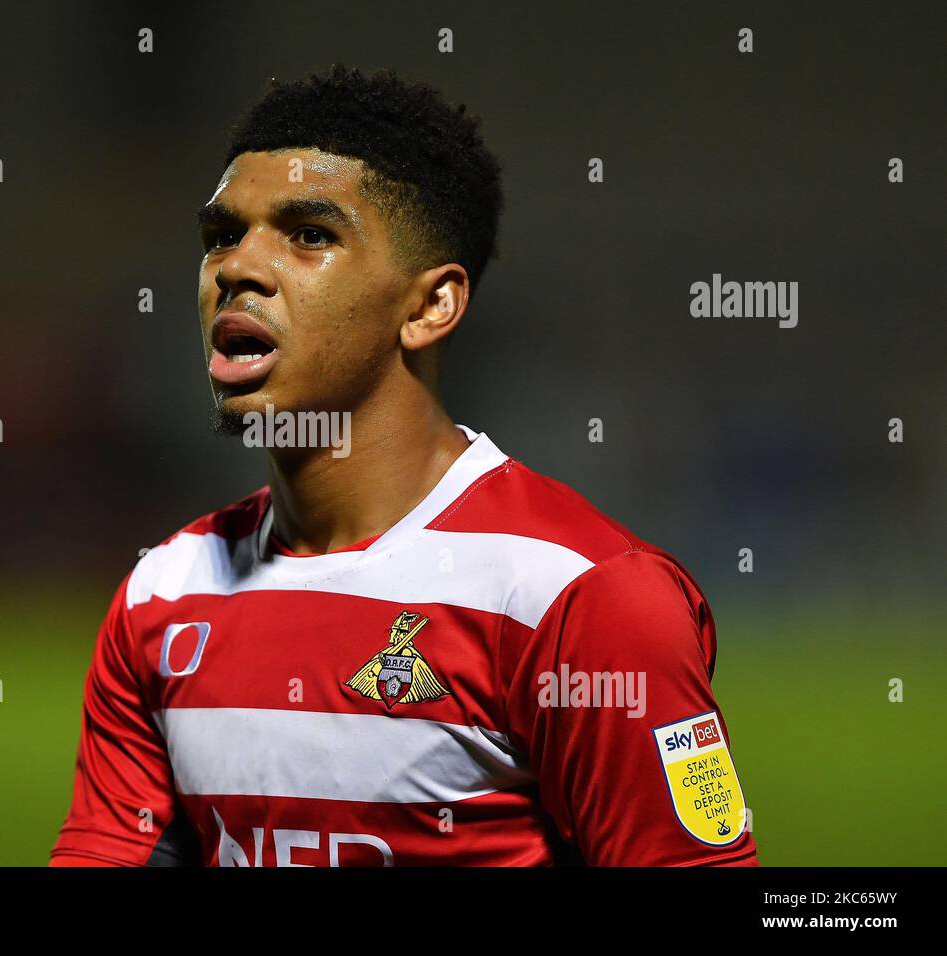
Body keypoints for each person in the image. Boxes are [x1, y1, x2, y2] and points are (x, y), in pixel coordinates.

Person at [51, 64, 758, 867]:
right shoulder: (163, 597)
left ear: (430, 307)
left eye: (309, 234)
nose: (237, 269)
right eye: (222, 236)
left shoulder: (576, 597)